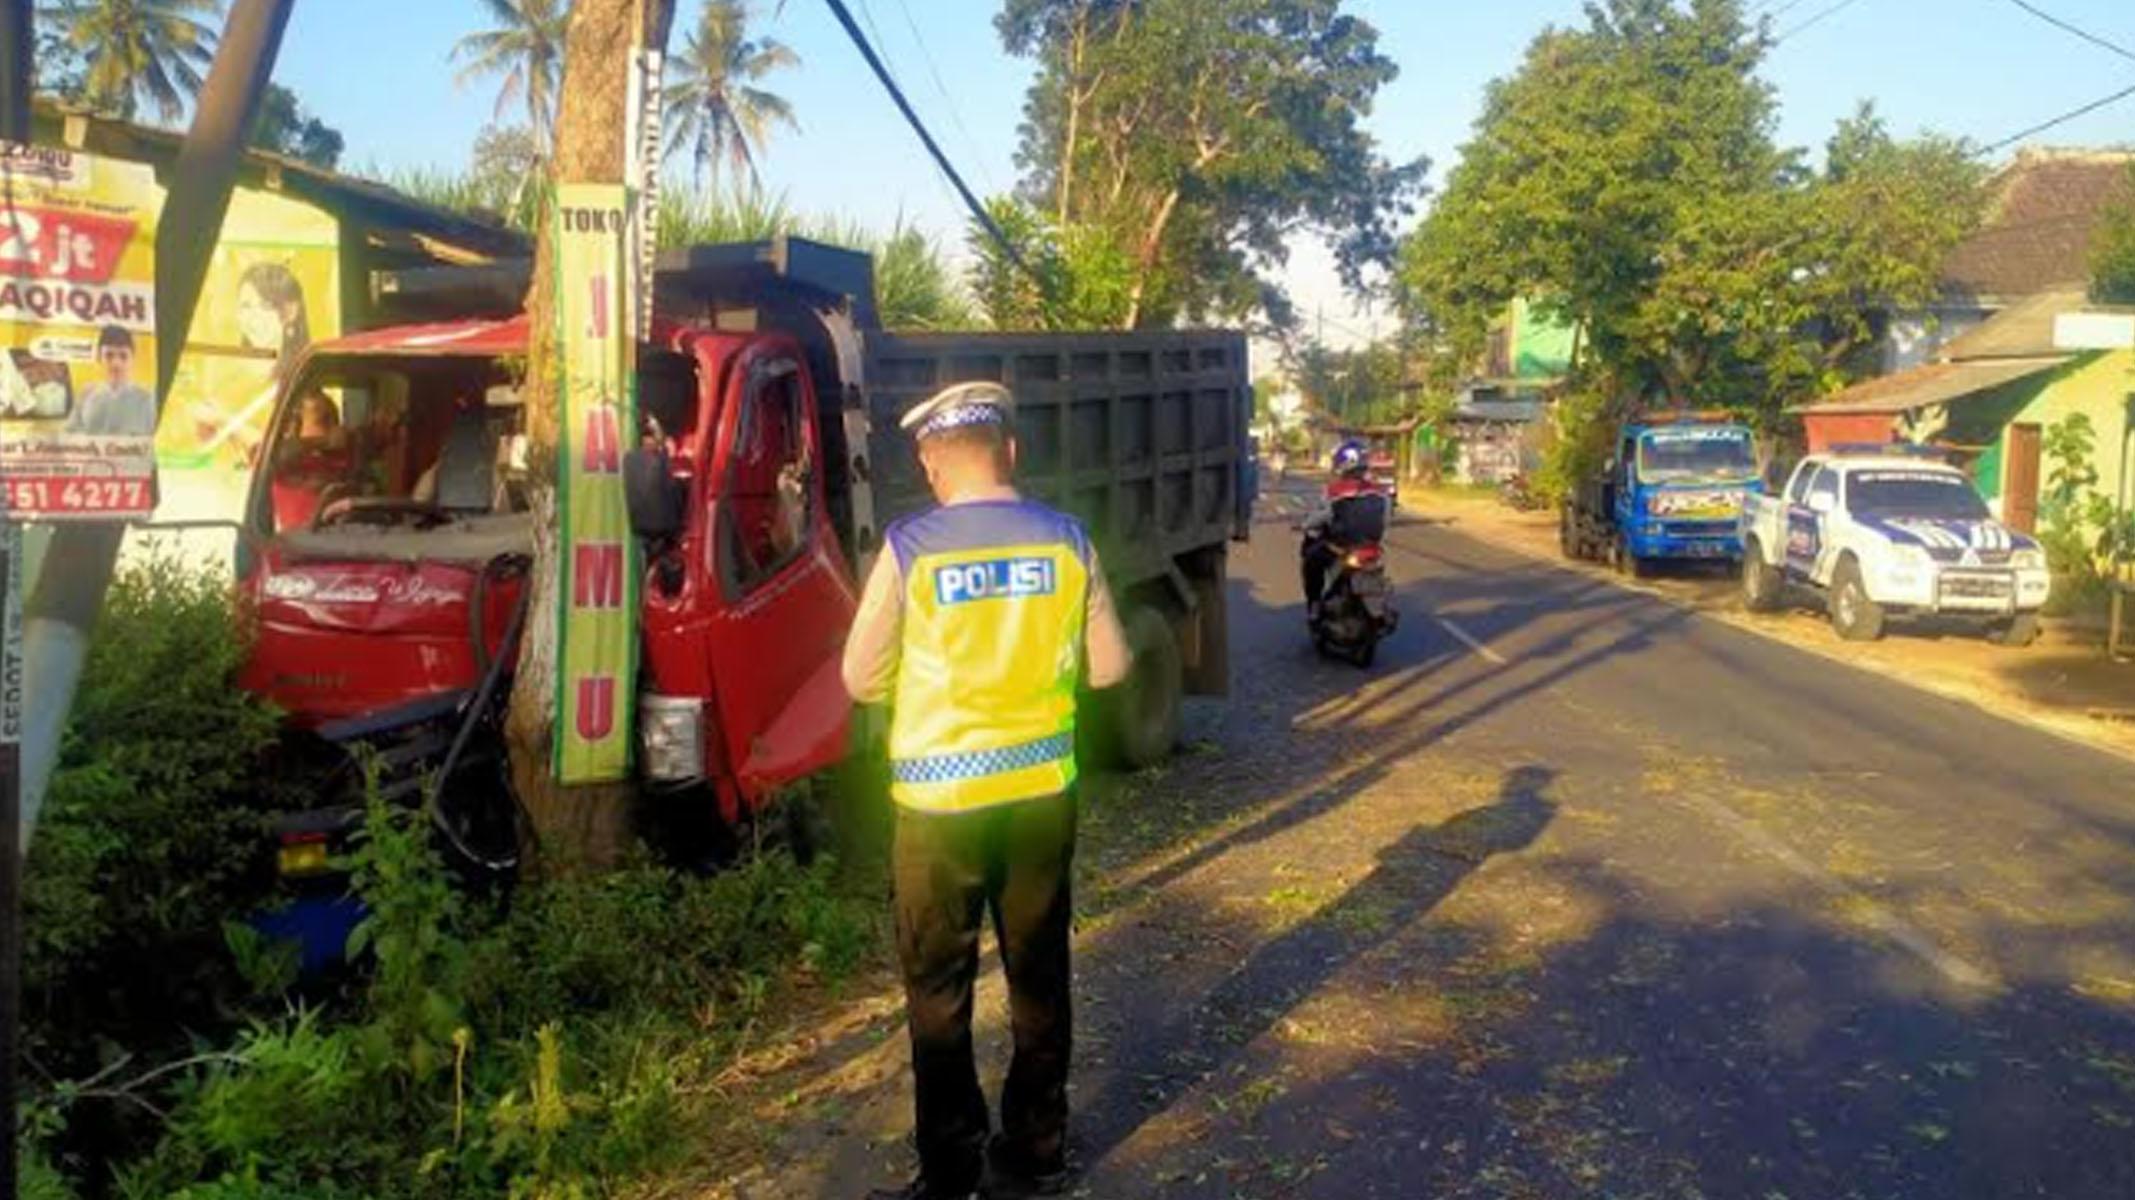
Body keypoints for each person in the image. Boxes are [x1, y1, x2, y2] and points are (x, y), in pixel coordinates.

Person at [842, 381, 1132, 1200]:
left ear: (932, 462)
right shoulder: (1068, 541)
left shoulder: (910, 548)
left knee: (939, 991)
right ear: (1011, 453)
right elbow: (1109, 668)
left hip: (939, 812)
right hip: (1041, 798)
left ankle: (950, 1172)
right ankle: (1038, 1151)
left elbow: (861, 680)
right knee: (1038, 977)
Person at [1300, 439, 1391, 621]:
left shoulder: (1333, 491)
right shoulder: (1382, 492)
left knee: (1311, 562)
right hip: (1371, 549)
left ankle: (1315, 604)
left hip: (1340, 549)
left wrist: (1306, 526)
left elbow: (1321, 516)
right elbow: (1386, 520)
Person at [65, 325, 156, 436]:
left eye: (123, 356)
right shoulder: (86, 394)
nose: (116, 364)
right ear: (99, 358)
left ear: (132, 359)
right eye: (109, 355)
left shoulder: (148, 399)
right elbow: (69, 433)